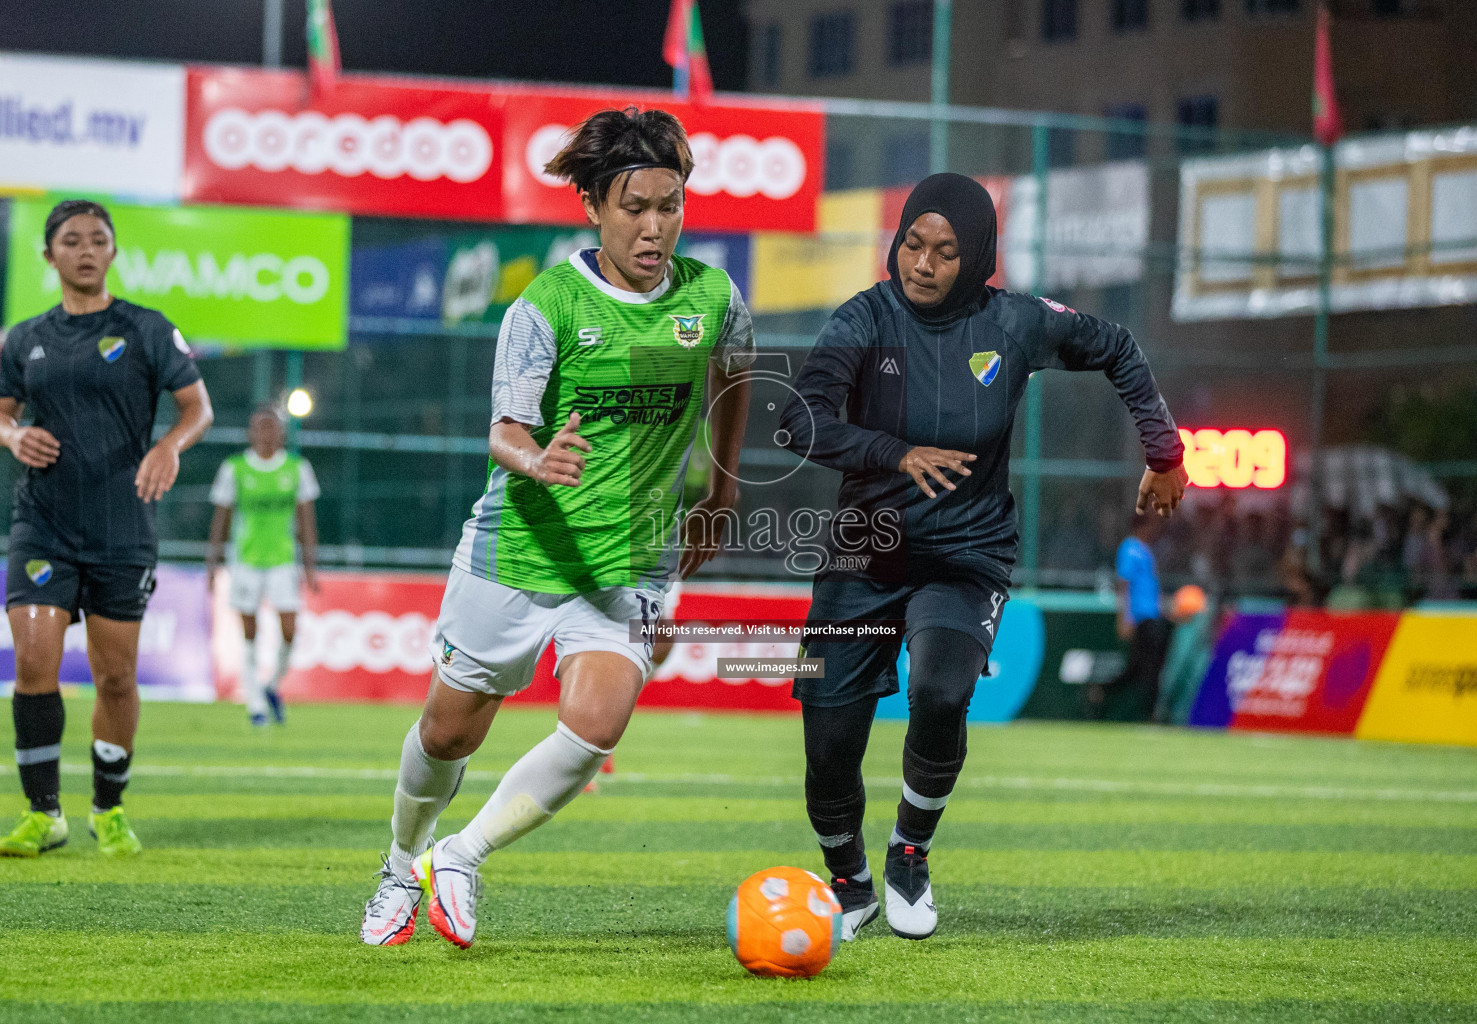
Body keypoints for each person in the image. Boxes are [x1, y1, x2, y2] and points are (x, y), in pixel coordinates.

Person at [360, 107, 754, 948]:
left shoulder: (714, 296)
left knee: (598, 725)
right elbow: (503, 430)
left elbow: (734, 373)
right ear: (594, 209)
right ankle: (400, 865)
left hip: (633, 560)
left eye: (670, 207)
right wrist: (534, 459)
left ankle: (460, 857)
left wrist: (719, 488)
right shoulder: (546, 305)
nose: (655, 228)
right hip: (522, 547)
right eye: (635, 209)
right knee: (447, 731)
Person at [777, 172, 1185, 941]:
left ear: (979, 260)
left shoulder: (1018, 325)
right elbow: (800, 423)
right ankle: (850, 882)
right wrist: (893, 454)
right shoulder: (862, 319)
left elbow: (1119, 349)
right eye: (912, 245)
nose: (922, 264)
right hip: (864, 557)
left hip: (968, 555)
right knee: (828, 745)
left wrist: (1164, 453)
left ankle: (908, 853)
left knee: (938, 692)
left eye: (944, 251)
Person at [0, 199, 212, 858]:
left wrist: (169, 446)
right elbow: (1, 412)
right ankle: (43, 814)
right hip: (43, 524)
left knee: (115, 677)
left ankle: (108, 807)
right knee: (34, 665)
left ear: (113, 251)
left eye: (98, 239)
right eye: (71, 240)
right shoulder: (23, 337)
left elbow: (196, 408)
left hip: (124, 529)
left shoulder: (147, 329)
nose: (86, 249)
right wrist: (13, 435)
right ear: (49, 255)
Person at [206, 408, 321, 726]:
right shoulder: (235, 468)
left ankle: (270, 686)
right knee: (249, 632)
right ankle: (255, 703)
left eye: (273, 429)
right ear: (251, 433)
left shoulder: (298, 468)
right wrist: (212, 563)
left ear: (281, 434)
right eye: (261, 428)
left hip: (283, 561)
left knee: (289, 630)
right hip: (245, 561)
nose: (267, 434)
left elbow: (306, 519)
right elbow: (222, 517)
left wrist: (310, 566)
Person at [1087, 510, 1172, 722]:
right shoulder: (1130, 548)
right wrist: (1124, 618)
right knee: (1146, 669)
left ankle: (1101, 693)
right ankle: (1149, 714)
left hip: (1151, 616)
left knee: (1138, 669)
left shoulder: (1145, 550)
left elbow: (1150, 586)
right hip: (1141, 617)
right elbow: (1123, 585)